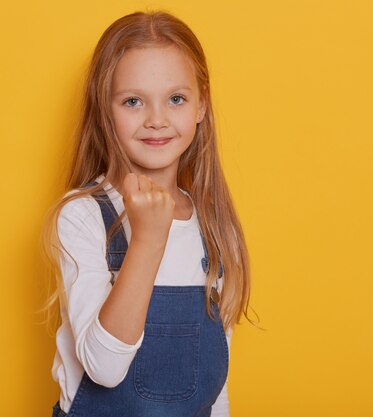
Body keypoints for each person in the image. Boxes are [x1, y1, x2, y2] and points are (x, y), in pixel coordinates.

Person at [40, 9, 257, 417]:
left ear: (200, 107)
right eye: (133, 101)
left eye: (176, 98)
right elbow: (104, 368)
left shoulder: (212, 227)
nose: (156, 120)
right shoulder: (82, 216)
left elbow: (217, 387)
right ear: (105, 110)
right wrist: (148, 238)